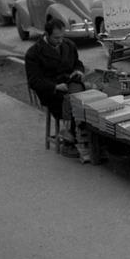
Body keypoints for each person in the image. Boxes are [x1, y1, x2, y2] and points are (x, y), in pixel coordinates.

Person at [25, 19, 87, 158]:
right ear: (46, 34)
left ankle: (80, 137)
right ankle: (70, 141)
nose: (60, 41)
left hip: (69, 84)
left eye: (62, 37)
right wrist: (55, 86)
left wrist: (78, 71)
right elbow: (34, 81)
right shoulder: (34, 53)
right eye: (56, 38)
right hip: (50, 92)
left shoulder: (69, 45)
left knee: (88, 98)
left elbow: (78, 63)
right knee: (70, 101)